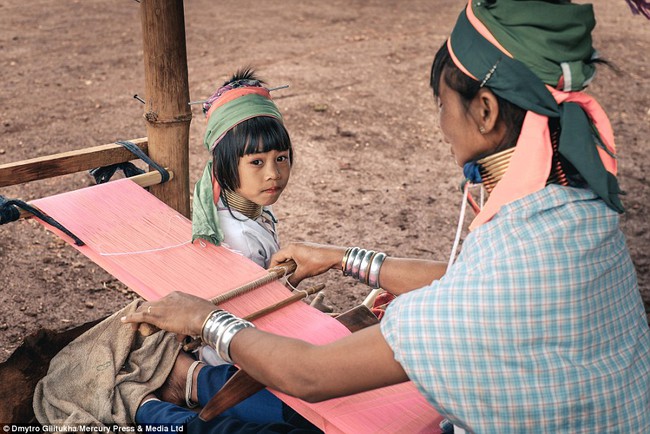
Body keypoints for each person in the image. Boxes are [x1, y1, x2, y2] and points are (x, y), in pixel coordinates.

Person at [123, 1, 650, 432]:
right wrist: (340, 258)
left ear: (485, 111)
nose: (441, 123)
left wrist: (203, 318)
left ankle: (160, 412)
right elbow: (463, 279)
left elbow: (309, 374)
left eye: (441, 103)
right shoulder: (575, 211)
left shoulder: (493, 288)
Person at [192, 67, 292, 270]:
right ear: (223, 164)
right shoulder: (242, 241)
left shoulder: (252, 202)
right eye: (257, 162)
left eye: (281, 158)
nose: (273, 174)